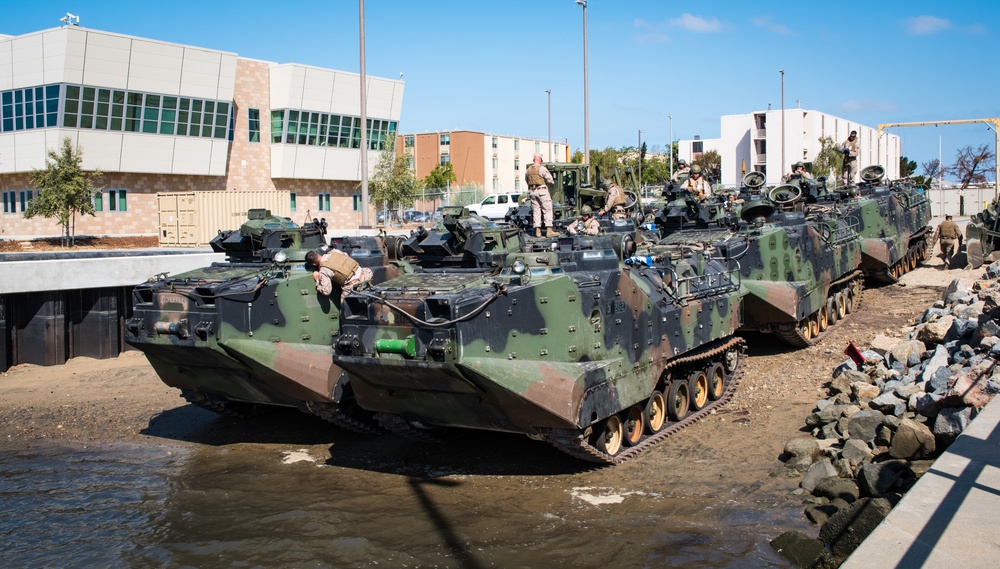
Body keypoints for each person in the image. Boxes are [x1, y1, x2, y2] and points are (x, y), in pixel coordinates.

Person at [305, 249, 373, 303]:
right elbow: (346, 256)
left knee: (344, 311)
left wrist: (317, 280)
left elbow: (326, 291)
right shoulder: (334, 251)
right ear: (317, 254)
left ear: (313, 264)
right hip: (366, 273)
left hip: (355, 284)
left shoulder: (323, 270)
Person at [525, 153, 554, 237]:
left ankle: (538, 231)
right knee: (547, 209)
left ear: (534, 159)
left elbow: (527, 180)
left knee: (536, 211)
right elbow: (550, 180)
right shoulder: (542, 169)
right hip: (542, 191)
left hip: (532, 192)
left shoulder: (528, 170)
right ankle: (549, 231)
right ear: (540, 160)